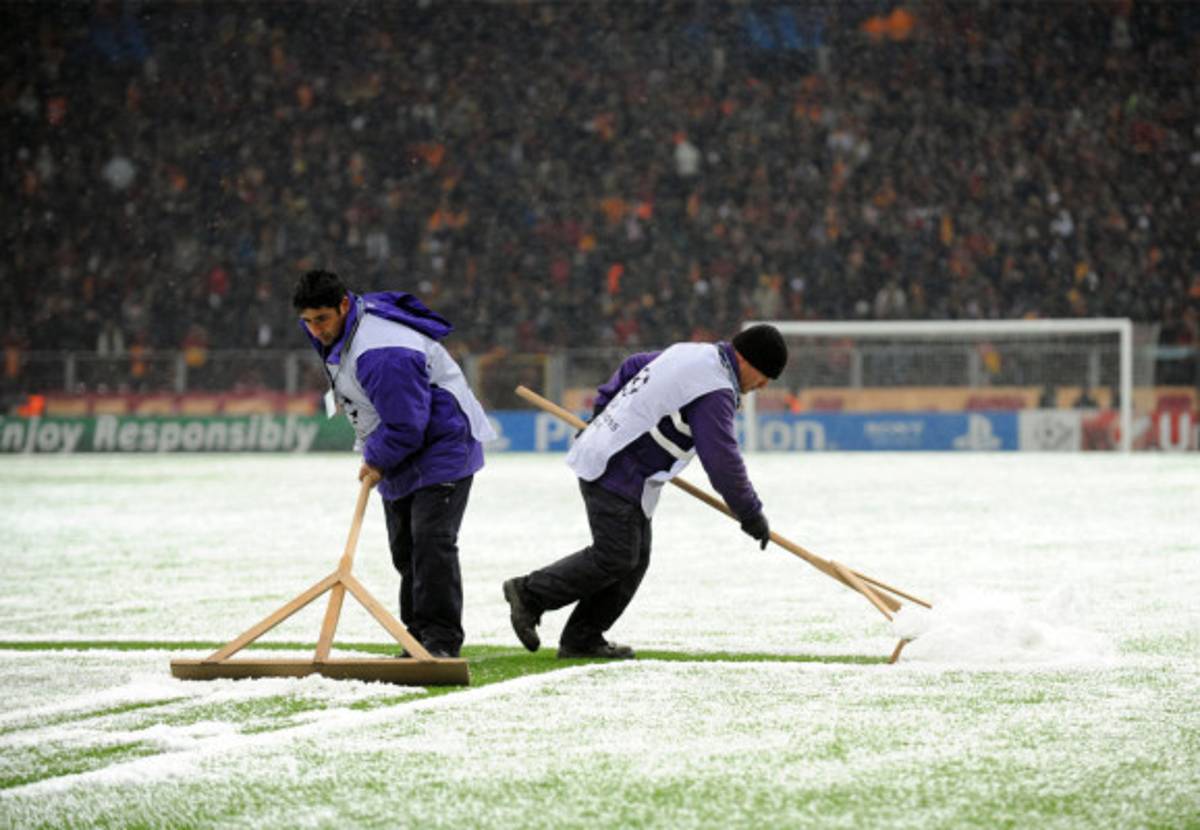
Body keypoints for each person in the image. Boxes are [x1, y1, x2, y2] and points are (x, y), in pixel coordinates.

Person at [502, 324, 788, 659]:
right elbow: (722, 460)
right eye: (765, 375)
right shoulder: (716, 389)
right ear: (746, 359)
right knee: (618, 555)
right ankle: (530, 593)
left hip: (625, 466)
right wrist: (750, 513)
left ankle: (583, 637)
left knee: (633, 559)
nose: (763, 385)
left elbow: (633, 366)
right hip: (618, 467)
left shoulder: (693, 352)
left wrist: (603, 413)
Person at [292, 270, 495, 658]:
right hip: (402, 444)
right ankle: (415, 637)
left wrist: (376, 458)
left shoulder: (382, 353)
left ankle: (439, 642)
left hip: (443, 444)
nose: (316, 330)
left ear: (344, 305)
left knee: (431, 544)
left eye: (323, 319)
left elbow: (407, 424)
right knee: (405, 549)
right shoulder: (337, 331)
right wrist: (374, 451)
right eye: (308, 322)